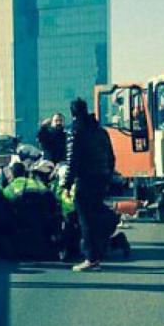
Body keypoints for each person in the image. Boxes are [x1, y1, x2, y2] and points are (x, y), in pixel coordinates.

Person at [62, 97, 115, 271]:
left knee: (85, 218)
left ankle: (91, 258)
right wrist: (107, 177)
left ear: (72, 113)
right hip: (101, 178)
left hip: (86, 179)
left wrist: (67, 185)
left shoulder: (75, 131)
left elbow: (72, 161)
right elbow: (111, 157)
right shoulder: (100, 130)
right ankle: (98, 253)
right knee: (96, 216)